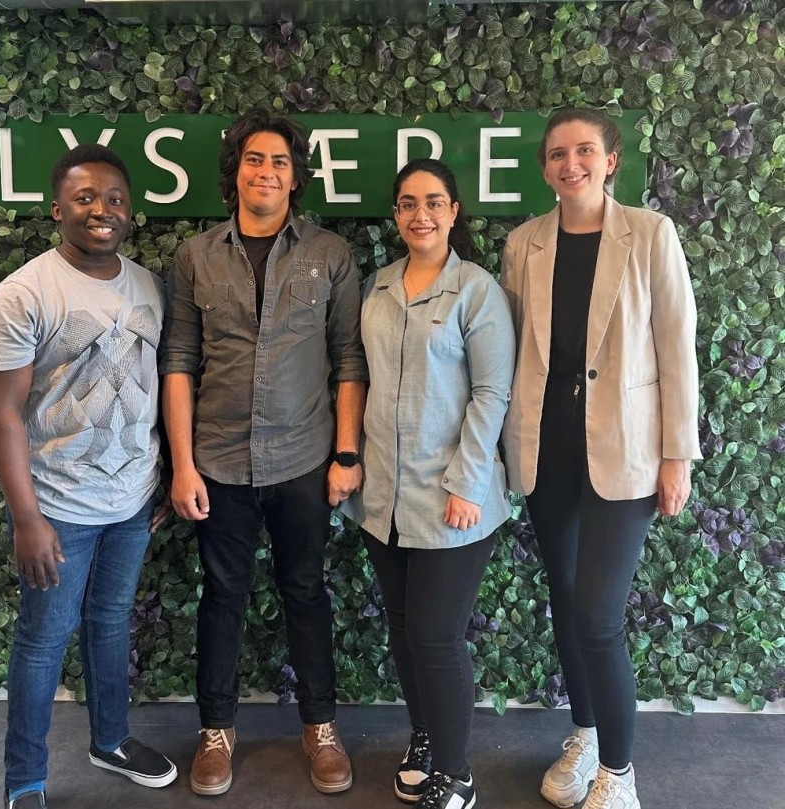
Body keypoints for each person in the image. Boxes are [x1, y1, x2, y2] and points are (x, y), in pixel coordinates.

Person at [160, 107, 367, 796]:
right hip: (215, 463)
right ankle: (215, 729)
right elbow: (180, 362)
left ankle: (321, 726)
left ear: (295, 177)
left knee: (306, 591)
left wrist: (344, 453)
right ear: (236, 172)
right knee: (222, 595)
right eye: (255, 159)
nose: (267, 172)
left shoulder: (330, 254)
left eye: (280, 162)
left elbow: (346, 358)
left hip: (304, 459)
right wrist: (183, 464)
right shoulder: (193, 256)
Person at [500, 108, 701, 809]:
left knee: (597, 615)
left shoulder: (649, 235)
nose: (571, 163)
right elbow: (515, 354)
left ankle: (619, 770)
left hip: (627, 454)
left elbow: (678, 350)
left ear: (610, 160)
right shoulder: (523, 243)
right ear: (545, 166)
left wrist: (679, 452)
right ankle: (584, 733)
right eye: (557, 153)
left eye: (584, 150)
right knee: (564, 599)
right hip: (545, 452)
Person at [0, 144, 177, 809]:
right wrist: (28, 519)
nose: (102, 210)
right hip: (57, 505)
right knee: (42, 642)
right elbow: (1, 413)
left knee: (112, 620)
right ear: (58, 208)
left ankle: (110, 739)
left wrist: (166, 473)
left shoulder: (148, 285)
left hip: (132, 499)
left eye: (115, 198)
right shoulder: (25, 293)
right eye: (86, 198)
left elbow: (159, 385)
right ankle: (25, 779)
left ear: (129, 211)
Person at [343, 158, 515, 809]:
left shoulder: (476, 290)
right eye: (409, 203)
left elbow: (492, 392)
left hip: (453, 499)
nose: (422, 214)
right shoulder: (378, 287)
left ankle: (456, 771)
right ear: (396, 215)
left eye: (434, 202)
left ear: (453, 212)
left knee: (437, 636)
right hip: (383, 499)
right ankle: (425, 736)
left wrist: (467, 481)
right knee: (402, 625)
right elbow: (359, 376)